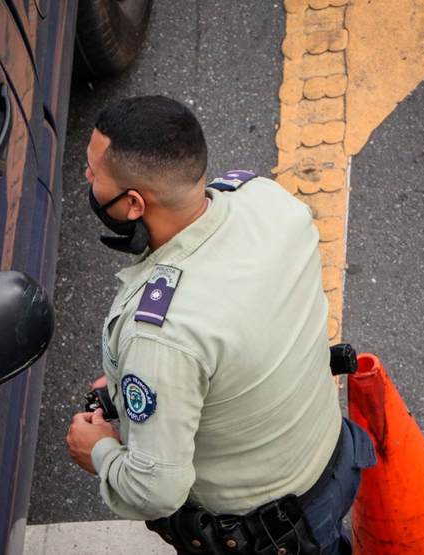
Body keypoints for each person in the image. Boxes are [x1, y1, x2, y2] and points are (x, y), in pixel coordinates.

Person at [64, 95, 377, 555]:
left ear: (134, 204)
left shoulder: (160, 334)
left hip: (274, 536)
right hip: (332, 460)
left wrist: (100, 453)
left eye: (95, 174)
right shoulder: (264, 198)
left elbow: (157, 491)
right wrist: (150, 380)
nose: (88, 179)